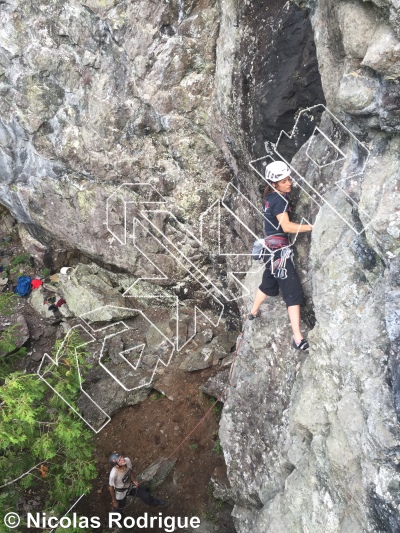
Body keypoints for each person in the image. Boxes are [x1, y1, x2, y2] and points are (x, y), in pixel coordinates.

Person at [249, 160, 313, 350]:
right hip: (279, 253)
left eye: (288, 179)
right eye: (284, 181)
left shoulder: (270, 198)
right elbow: (286, 227)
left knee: (268, 283)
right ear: (274, 183)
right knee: (292, 293)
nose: (289, 183)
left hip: (270, 251)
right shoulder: (279, 200)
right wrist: (311, 227)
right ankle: (297, 338)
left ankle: (252, 312)